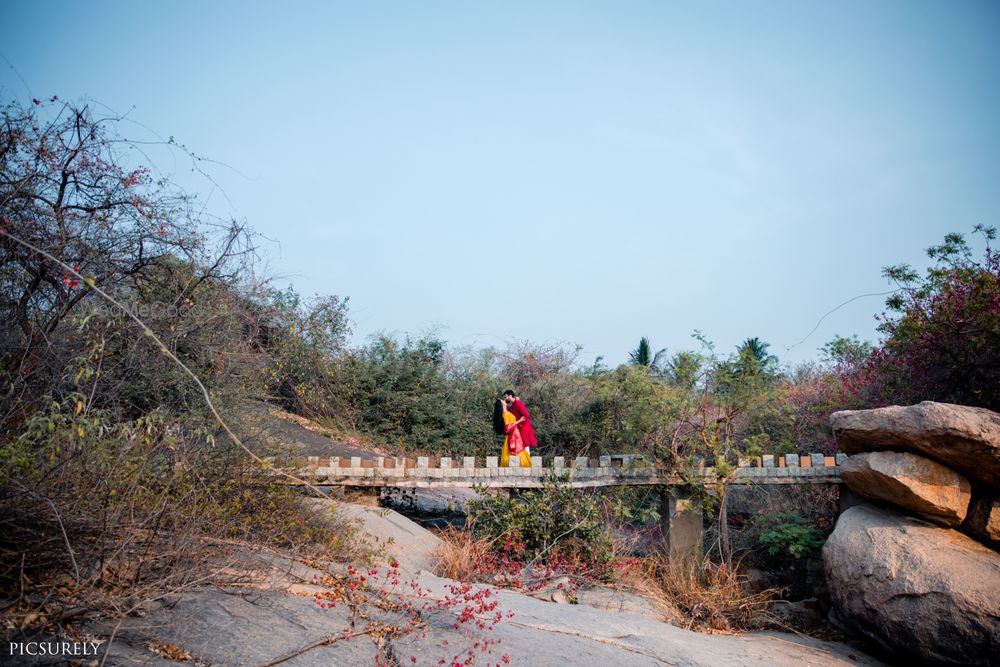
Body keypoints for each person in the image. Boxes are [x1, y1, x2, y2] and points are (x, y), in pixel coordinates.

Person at [497, 397, 531, 467]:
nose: (504, 400)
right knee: (518, 454)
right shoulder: (505, 414)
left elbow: (515, 408)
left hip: (516, 435)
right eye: (502, 401)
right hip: (512, 437)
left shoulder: (507, 411)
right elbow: (507, 429)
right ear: (502, 404)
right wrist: (519, 421)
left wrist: (518, 401)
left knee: (520, 452)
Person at [503, 389, 537, 453]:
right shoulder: (512, 405)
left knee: (525, 444)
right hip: (518, 428)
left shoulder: (518, 403)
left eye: (505, 397)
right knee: (519, 445)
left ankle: (527, 461)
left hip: (524, 427)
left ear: (510, 396)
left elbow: (526, 415)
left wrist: (519, 422)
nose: (505, 399)